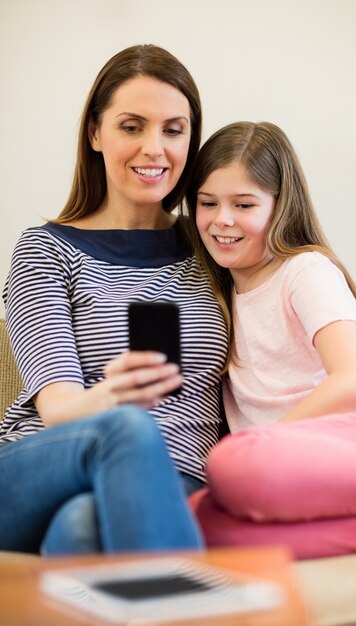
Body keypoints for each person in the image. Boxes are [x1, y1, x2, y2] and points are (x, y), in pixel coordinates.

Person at [0, 44, 227, 555]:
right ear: (96, 133)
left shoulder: (215, 244)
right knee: (124, 427)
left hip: (173, 479)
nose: (155, 148)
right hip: (43, 463)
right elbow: (58, 407)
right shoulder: (45, 248)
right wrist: (113, 398)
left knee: (81, 528)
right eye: (132, 126)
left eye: (174, 129)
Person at [184, 121, 356, 559]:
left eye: (244, 204)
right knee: (199, 521)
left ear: (280, 207)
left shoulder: (303, 271)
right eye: (207, 203)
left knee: (229, 465)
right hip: (294, 466)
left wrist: (264, 444)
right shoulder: (216, 297)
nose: (222, 220)